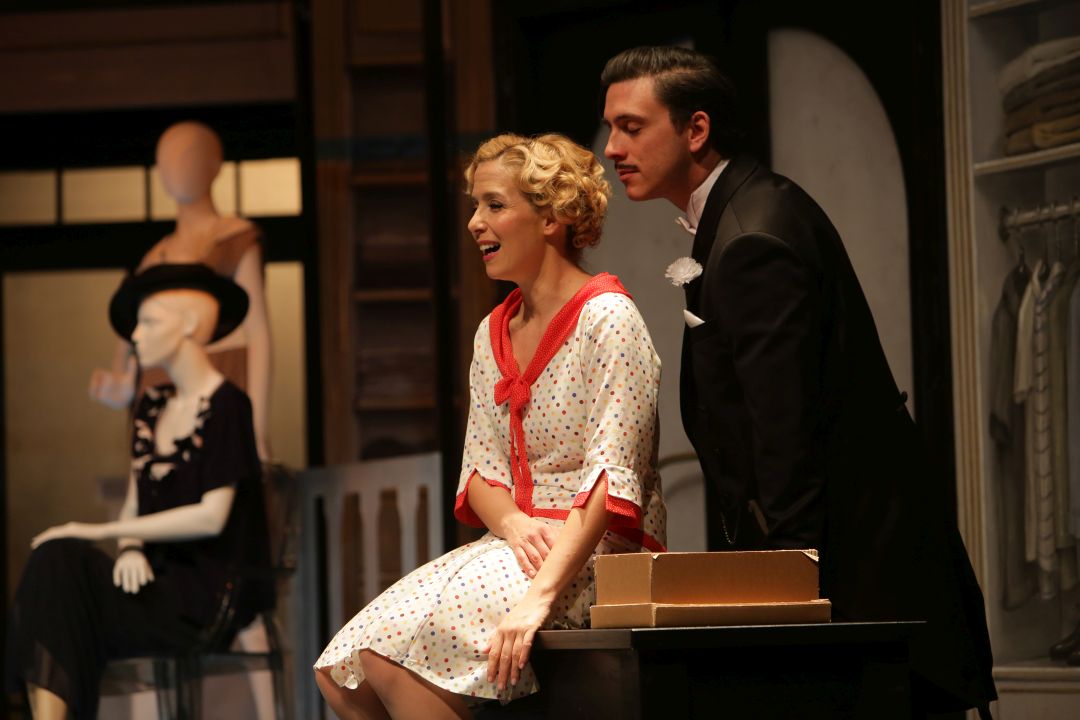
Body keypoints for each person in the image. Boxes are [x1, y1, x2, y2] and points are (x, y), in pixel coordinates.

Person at [600, 46, 996, 715]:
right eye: (611, 127)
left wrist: (788, 597)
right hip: (852, 561)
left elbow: (785, 434)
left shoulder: (752, 233)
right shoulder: (740, 210)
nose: (613, 147)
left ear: (696, 129)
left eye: (631, 127)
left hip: (860, 576)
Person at [313, 133, 665, 718]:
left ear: (551, 217)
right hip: (517, 542)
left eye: (494, 205)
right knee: (342, 671)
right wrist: (514, 523)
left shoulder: (608, 318)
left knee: (393, 662)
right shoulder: (493, 331)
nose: (475, 223)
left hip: (596, 552)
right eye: (475, 206)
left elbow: (612, 479)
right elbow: (480, 471)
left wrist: (538, 600)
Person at [6, 263, 274, 720]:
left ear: (188, 324)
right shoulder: (151, 406)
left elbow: (212, 516)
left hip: (202, 600)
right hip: (149, 583)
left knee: (66, 572)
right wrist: (129, 547)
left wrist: (98, 531)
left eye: (148, 322)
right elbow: (134, 501)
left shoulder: (229, 405)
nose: (135, 335)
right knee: (56, 560)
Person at [89, 120, 274, 462]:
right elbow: (129, 340)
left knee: (215, 470)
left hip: (221, 370)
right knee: (160, 470)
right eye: (167, 158)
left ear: (215, 164)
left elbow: (258, 333)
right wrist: (124, 383)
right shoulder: (153, 257)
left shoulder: (235, 238)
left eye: (188, 154)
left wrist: (257, 426)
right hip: (157, 384)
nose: (176, 166)